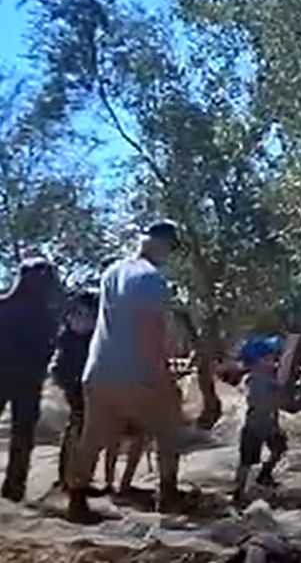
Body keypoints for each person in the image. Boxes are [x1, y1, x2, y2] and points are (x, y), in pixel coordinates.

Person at [67, 220, 185, 522]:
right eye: (170, 249)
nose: (169, 255)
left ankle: (77, 501)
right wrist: (162, 371)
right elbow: (150, 328)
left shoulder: (112, 272)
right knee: (169, 427)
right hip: (136, 372)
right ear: (161, 244)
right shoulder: (151, 278)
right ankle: (168, 495)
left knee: (92, 436)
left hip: (98, 370)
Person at [0, 258, 60, 502]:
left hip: (12, 377)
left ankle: (14, 491)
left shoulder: (4, 305)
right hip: (27, 381)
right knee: (22, 437)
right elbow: (48, 349)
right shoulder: (46, 314)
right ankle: (13, 491)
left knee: (22, 437)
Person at [50, 290, 98, 490]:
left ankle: (77, 478)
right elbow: (60, 367)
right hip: (73, 382)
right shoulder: (69, 337)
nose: (88, 320)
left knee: (83, 428)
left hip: (82, 382)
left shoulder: (88, 337)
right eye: (84, 315)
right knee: (78, 427)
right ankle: (69, 479)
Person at [232, 335, 288, 505]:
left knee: (279, 450)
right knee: (246, 461)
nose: (273, 362)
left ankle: (265, 475)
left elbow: (275, 403)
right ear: (256, 362)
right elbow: (262, 400)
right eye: (268, 359)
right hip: (254, 427)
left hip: (270, 424)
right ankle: (238, 492)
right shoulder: (254, 380)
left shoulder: (266, 378)